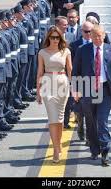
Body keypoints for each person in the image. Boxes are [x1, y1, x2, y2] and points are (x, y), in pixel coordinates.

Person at [72, 25, 111, 166]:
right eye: (94, 36)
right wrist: (75, 90)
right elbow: (76, 71)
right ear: (90, 37)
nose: (98, 39)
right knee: (91, 121)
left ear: (104, 35)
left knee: (102, 121)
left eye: (100, 36)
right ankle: (94, 149)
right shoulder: (83, 51)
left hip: (105, 90)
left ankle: (105, 151)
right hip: (88, 90)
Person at [36, 26, 72, 163]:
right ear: (48, 38)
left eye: (57, 37)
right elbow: (39, 72)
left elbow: (70, 70)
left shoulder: (66, 51)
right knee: (53, 119)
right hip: (47, 83)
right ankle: (56, 149)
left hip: (62, 84)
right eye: (53, 37)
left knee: (60, 119)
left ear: (61, 38)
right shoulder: (42, 52)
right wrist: (38, 92)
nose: (55, 40)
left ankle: (58, 144)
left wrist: (74, 87)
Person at [69, 21, 94, 144]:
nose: (88, 34)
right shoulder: (74, 45)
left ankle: (90, 137)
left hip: (93, 83)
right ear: (81, 32)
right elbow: (72, 66)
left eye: (91, 31)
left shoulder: (98, 44)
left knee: (91, 112)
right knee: (79, 109)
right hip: (80, 81)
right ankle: (80, 124)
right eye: (86, 31)